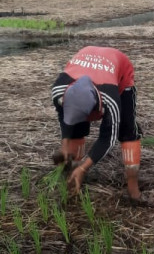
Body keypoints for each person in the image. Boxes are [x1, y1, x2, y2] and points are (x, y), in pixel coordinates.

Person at [51, 46, 142, 202]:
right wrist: (65, 145)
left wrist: (84, 168)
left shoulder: (110, 99)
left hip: (119, 71)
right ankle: (73, 173)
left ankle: (133, 187)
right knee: (76, 129)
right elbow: (64, 119)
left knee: (127, 130)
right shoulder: (59, 91)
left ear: (96, 110)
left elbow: (108, 138)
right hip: (86, 58)